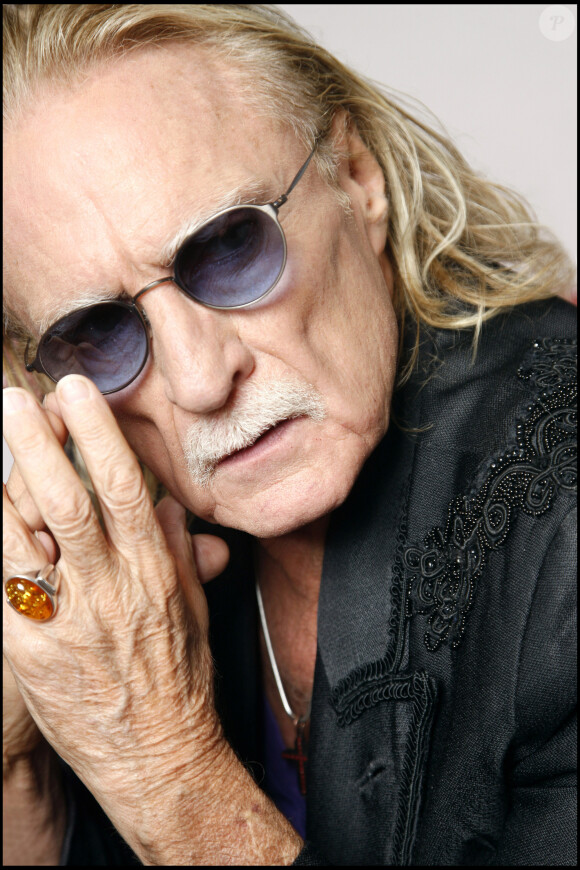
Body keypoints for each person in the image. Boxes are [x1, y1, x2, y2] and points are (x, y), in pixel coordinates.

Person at [2, 4, 576, 866]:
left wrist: (167, 773)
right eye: (100, 333)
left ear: (357, 176)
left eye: (231, 247)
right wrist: (23, 756)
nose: (200, 380)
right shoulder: (133, 597)